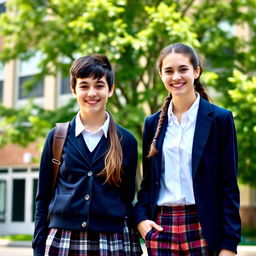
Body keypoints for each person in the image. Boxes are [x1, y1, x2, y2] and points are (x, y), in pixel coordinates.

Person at [135, 43, 241, 256]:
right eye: (169, 71)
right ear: (161, 75)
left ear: (196, 71)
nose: (176, 77)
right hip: (161, 228)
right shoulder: (152, 123)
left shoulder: (220, 119)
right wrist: (141, 220)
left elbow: (228, 185)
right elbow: (148, 183)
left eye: (183, 69)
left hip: (204, 227)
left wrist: (229, 245)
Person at [32, 54, 142, 256]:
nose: (92, 93)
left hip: (112, 240)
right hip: (63, 240)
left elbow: (127, 199)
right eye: (84, 86)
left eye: (99, 85)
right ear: (74, 90)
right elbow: (43, 199)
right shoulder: (57, 138)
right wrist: (38, 248)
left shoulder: (127, 141)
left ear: (111, 89)